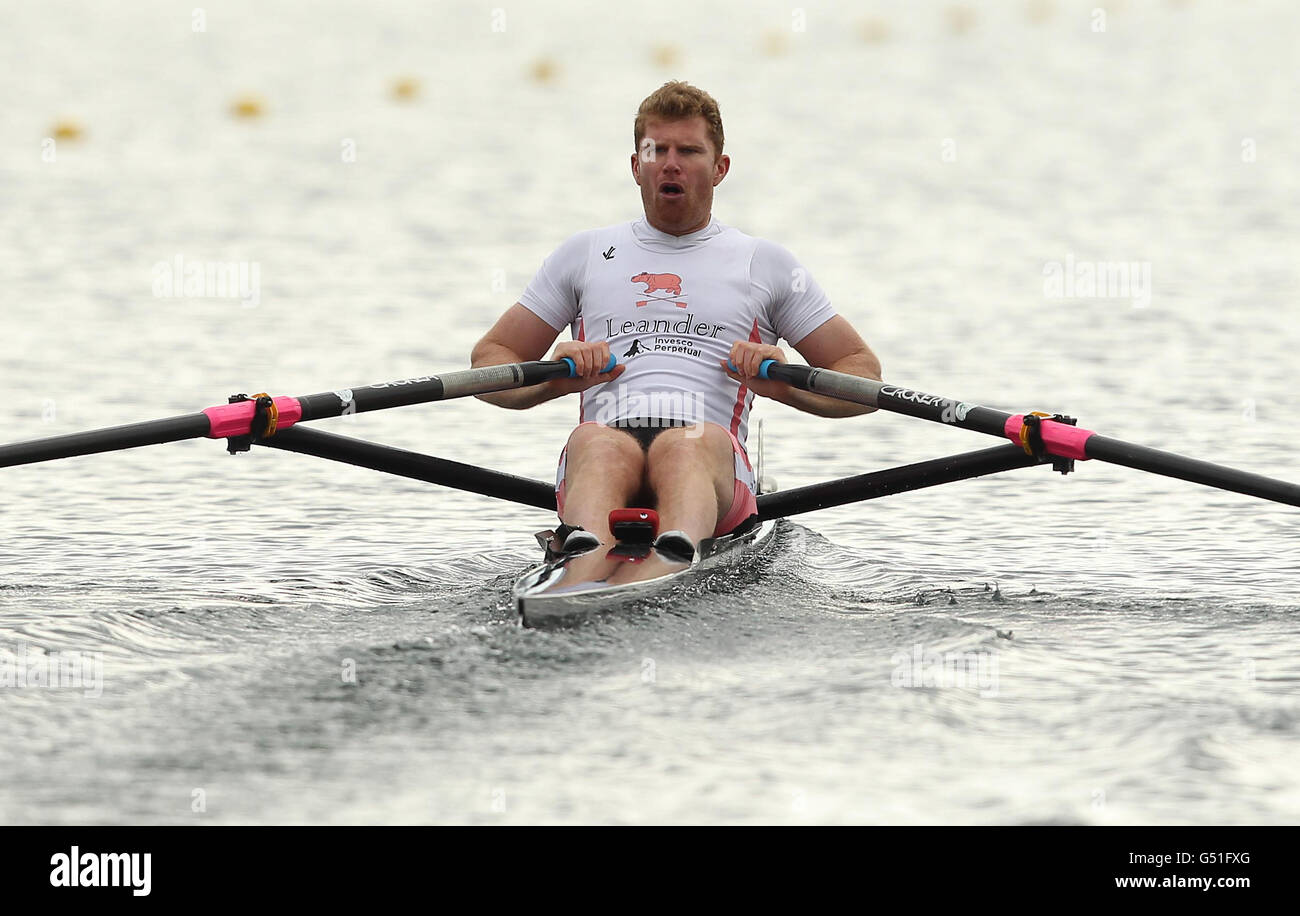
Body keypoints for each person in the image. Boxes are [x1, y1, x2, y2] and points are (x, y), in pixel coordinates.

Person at [471, 81, 882, 559]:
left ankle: (672, 554)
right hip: (605, 442)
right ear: (635, 166)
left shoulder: (763, 263)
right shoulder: (582, 254)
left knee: (687, 445)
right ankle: (585, 558)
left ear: (720, 168)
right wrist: (553, 382)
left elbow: (863, 375)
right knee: (596, 441)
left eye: (688, 151)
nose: (670, 163)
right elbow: (488, 363)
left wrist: (785, 384)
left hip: (708, 454)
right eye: (656, 150)